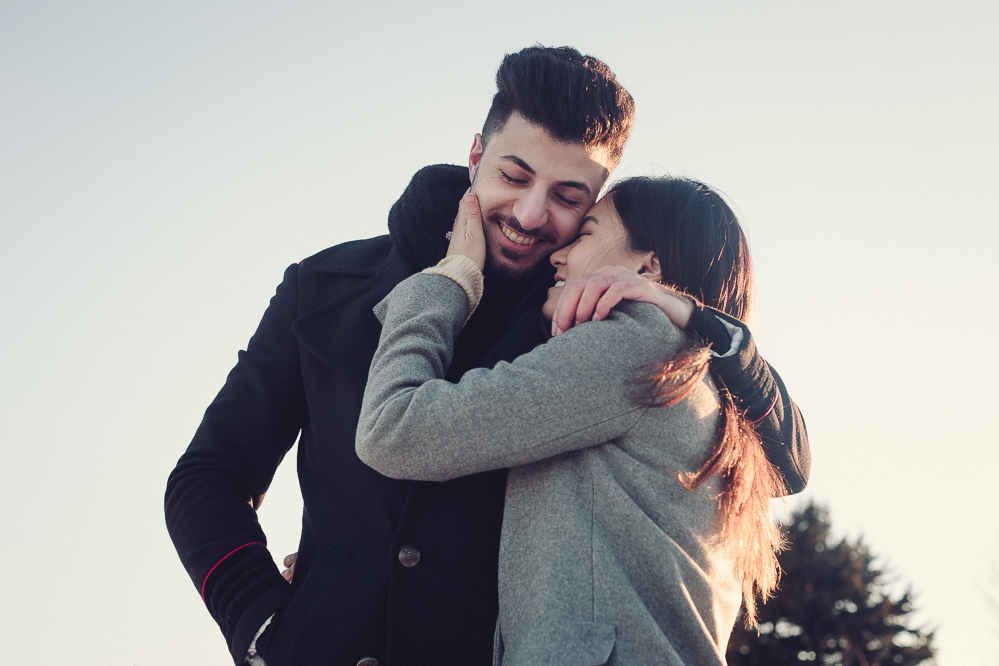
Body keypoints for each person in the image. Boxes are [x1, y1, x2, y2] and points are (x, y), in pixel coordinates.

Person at [165, 46, 808, 666]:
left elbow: (790, 453)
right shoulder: (324, 285)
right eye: (514, 176)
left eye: (568, 198)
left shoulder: (594, 321)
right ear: (476, 156)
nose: (531, 215)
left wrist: (696, 315)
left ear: (598, 197)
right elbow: (208, 476)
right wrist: (261, 619)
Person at [356, 176, 784, 665]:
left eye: (585, 234)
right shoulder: (699, 379)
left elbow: (394, 431)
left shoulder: (635, 346)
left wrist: (445, 281)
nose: (557, 256)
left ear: (648, 266)